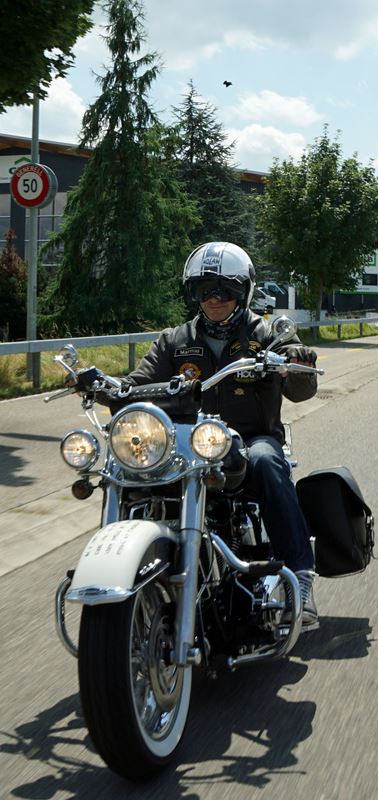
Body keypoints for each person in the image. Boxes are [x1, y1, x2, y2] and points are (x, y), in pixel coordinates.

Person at [126, 241, 320, 626]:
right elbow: (137, 383)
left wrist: (297, 363)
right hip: (186, 446)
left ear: (242, 291)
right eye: (203, 290)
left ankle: (299, 576)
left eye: (224, 290)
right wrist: (105, 386)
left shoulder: (267, 334)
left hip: (250, 440)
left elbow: (302, 390)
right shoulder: (175, 340)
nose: (213, 299)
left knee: (268, 462)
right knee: (133, 471)